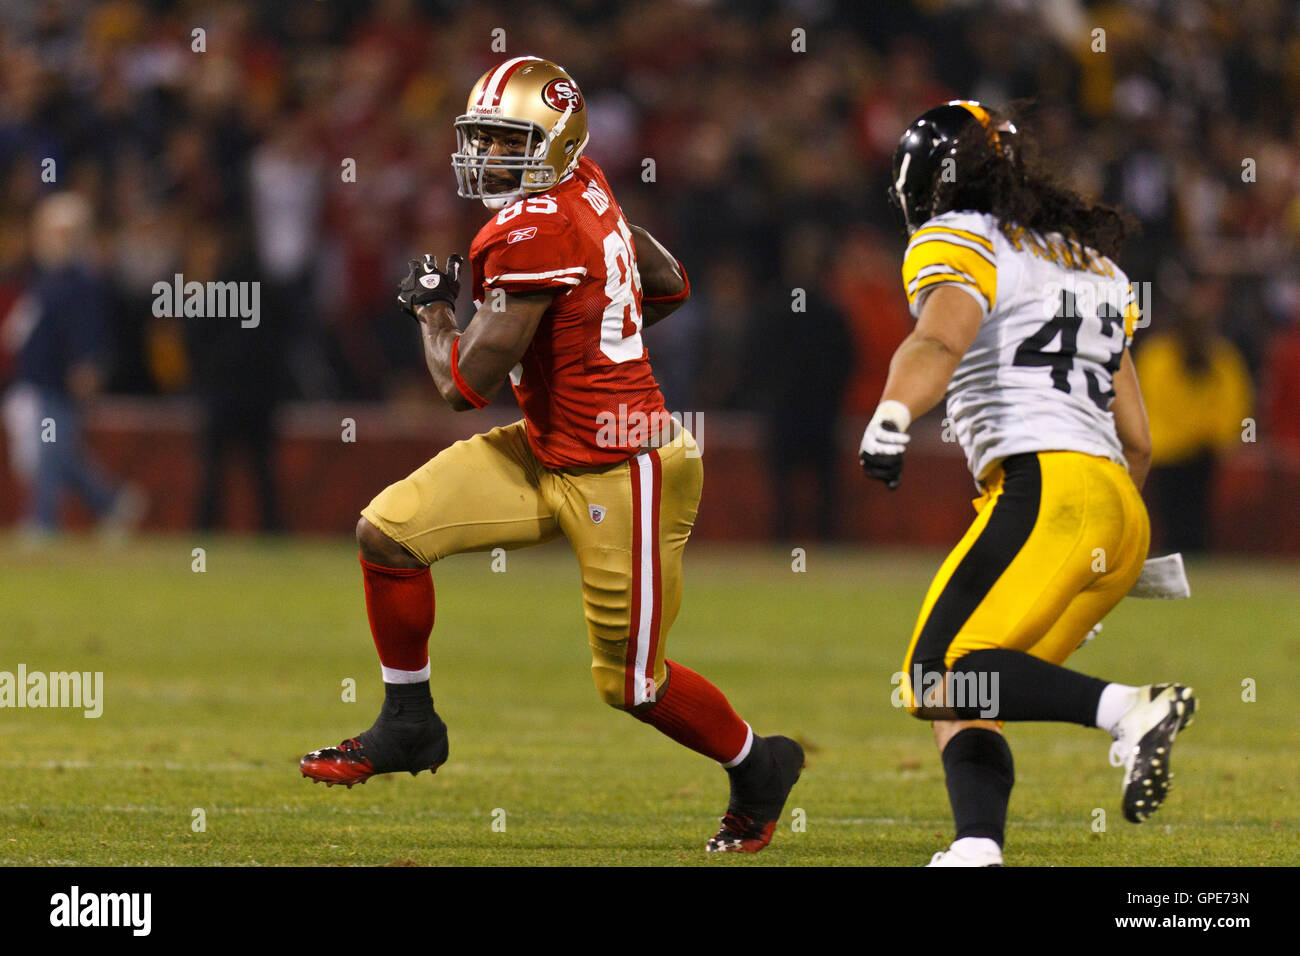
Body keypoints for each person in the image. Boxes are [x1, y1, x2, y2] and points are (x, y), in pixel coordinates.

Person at [300, 58, 803, 853]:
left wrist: (433, 310)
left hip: (626, 467)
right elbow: (668, 281)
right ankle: (409, 721)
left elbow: (462, 384)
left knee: (632, 684)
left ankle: (758, 765)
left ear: (556, 142)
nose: (491, 158)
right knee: (388, 533)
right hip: (551, 449)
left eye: (510, 142)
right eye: (486, 139)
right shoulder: (589, 184)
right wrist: (597, 334)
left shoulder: (530, 229)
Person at [858, 101, 1196, 866]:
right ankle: (977, 847)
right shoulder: (1094, 265)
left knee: (932, 674)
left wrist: (891, 414)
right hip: (1112, 506)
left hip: (1049, 488)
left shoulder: (959, 238)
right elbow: (1137, 439)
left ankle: (1130, 709)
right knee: (970, 688)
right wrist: (1103, 560)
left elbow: (940, 336)